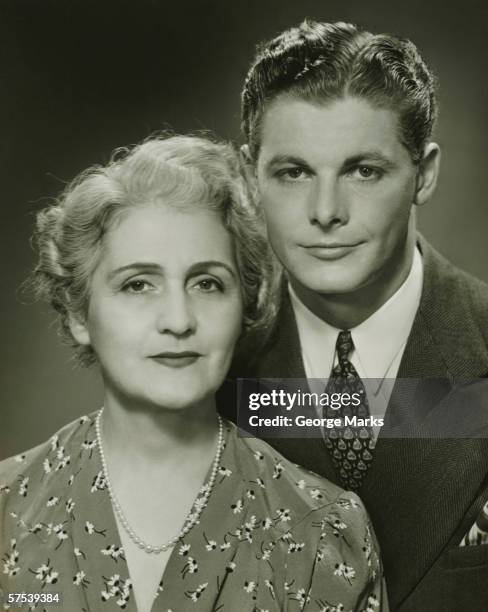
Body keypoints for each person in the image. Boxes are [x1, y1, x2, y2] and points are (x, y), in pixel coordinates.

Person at [0, 135, 387, 611]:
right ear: (80, 314)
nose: (179, 320)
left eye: (207, 283)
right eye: (138, 284)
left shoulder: (321, 530)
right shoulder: (8, 508)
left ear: (246, 303)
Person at [226, 19, 488, 612]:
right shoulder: (205, 369)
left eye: (363, 171)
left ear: (424, 175)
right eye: (293, 173)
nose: (325, 212)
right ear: (250, 177)